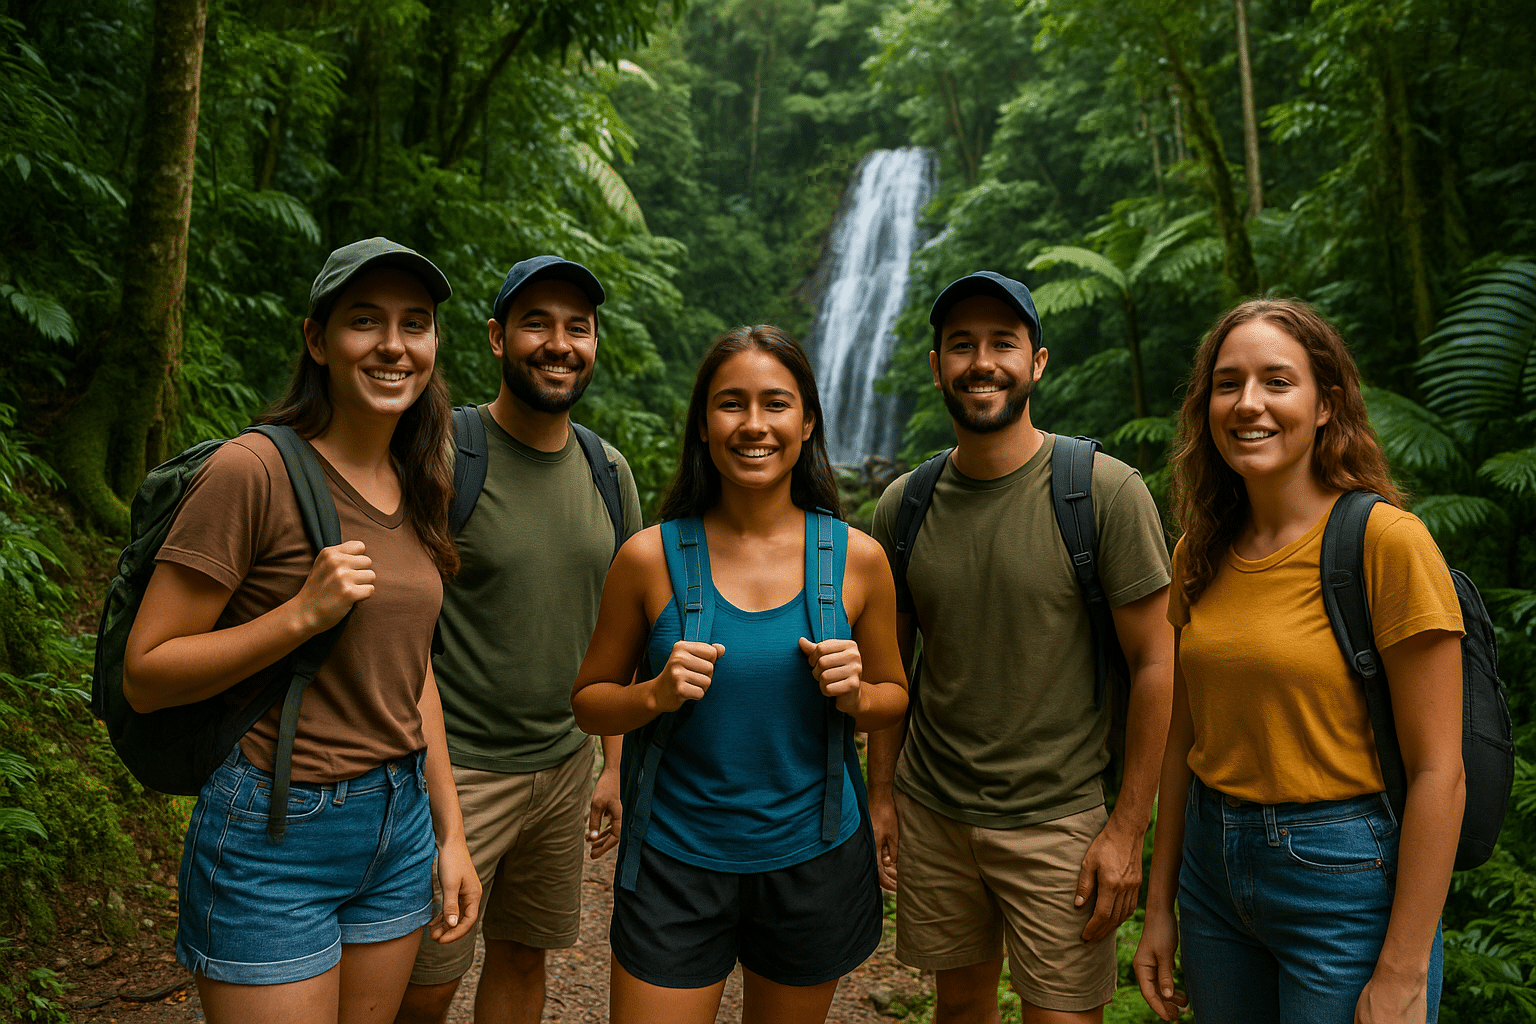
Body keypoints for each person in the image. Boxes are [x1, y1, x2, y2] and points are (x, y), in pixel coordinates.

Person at [122, 237, 480, 1023]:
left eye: (415, 324)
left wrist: (451, 835)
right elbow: (145, 673)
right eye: (365, 321)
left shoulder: (422, 479)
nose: (393, 345)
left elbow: (413, 673)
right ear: (317, 341)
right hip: (274, 833)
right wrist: (300, 616)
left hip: (398, 824)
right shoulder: (252, 473)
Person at [1133, 298, 1465, 1024]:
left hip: (1344, 879)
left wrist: (1404, 971)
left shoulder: (1387, 544)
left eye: (1277, 381)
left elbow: (1442, 770)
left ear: (1327, 405)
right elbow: (1184, 745)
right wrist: (1159, 908)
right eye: (1227, 383)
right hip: (1212, 878)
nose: (1248, 403)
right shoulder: (1199, 551)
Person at [570, 325, 908, 1024]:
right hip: (674, 863)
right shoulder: (647, 558)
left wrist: (855, 694)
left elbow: (893, 699)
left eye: (776, 404)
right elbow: (591, 704)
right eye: (731, 404)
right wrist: (653, 693)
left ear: (808, 420)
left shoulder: (860, 560)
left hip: (812, 862)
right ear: (702, 422)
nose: (754, 425)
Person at [867, 272, 1176, 1023]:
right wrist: (881, 793)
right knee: (959, 1007)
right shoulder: (901, 506)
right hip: (934, 809)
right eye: (961, 345)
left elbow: (1159, 665)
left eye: (1002, 343)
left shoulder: (1104, 493)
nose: (982, 362)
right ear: (937, 365)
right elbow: (892, 669)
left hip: (1061, 819)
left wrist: (1127, 827)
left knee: (1063, 1014)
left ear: (1037, 362)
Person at [395, 256, 642, 1024]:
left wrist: (613, 764)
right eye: (537, 323)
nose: (559, 343)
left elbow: (626, 631)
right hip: (455, 768)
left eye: (578, 327)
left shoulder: (608, 470)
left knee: (524, 955)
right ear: (499, 338)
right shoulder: (444, 453)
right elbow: (396, 624)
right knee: (425, 979)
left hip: (565, 767)